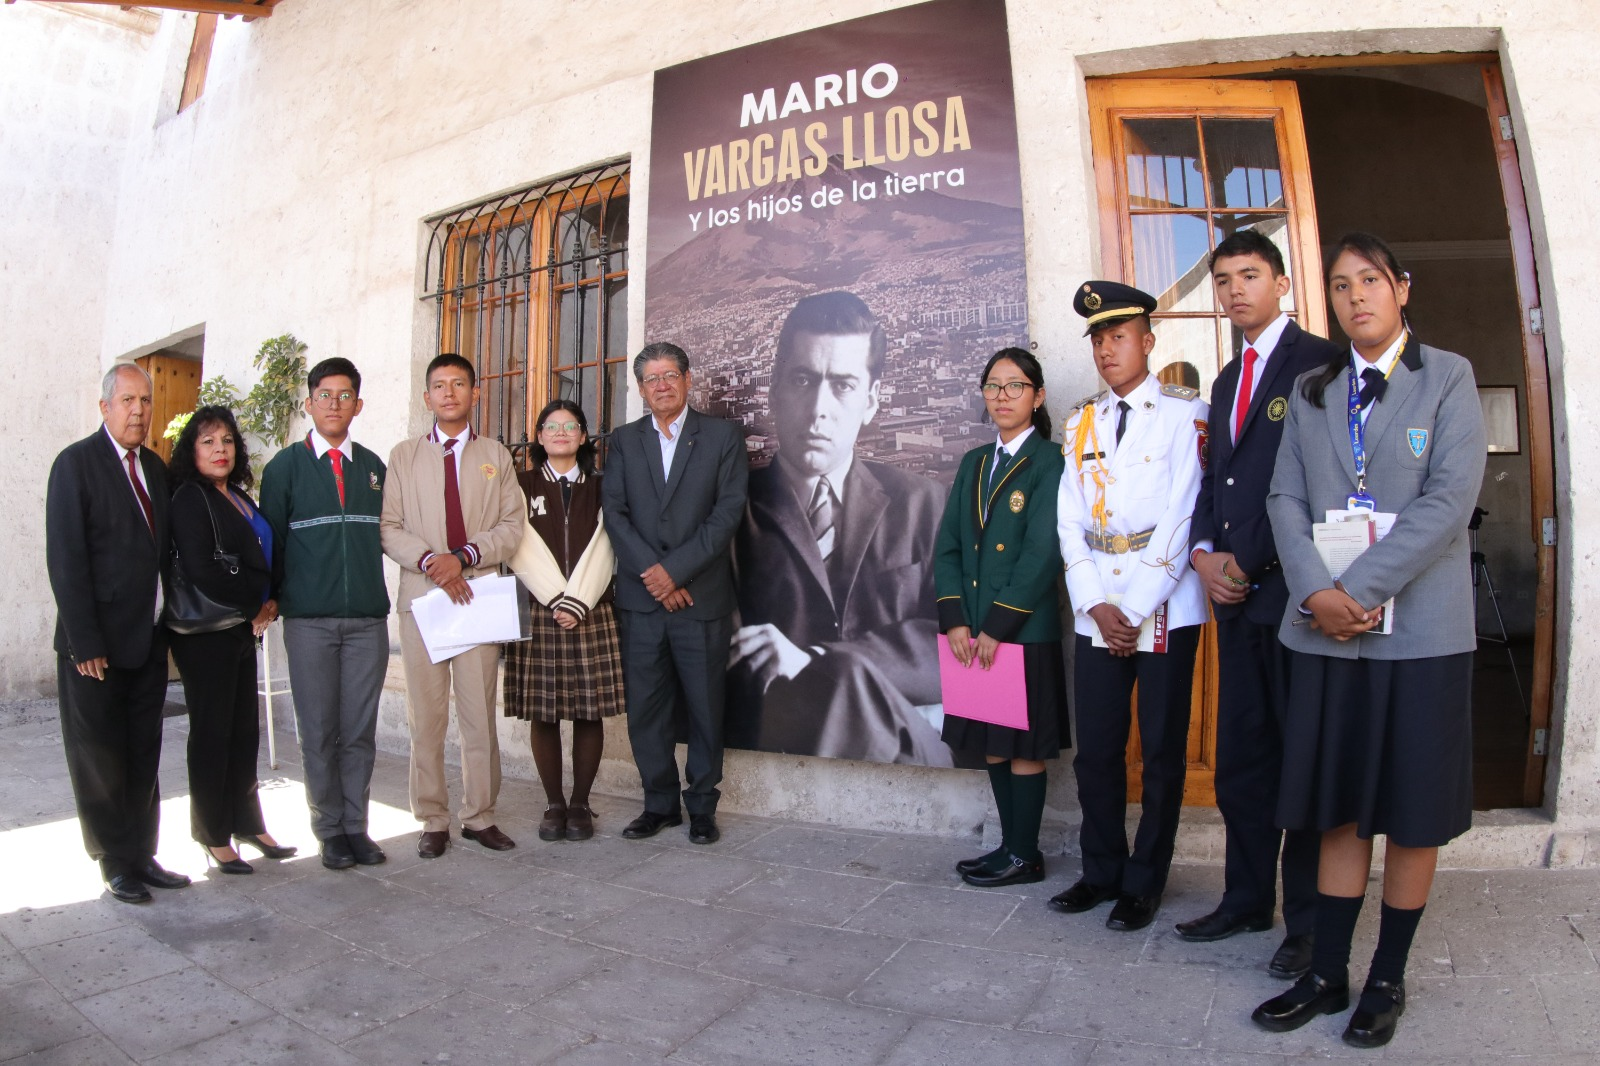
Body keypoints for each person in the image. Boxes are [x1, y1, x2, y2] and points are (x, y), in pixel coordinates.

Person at [1252, 233, 1485, 1048]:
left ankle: (1386, 979)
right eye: (1342, 286)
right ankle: (1326, 973)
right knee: (1338, 811)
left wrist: (1355, 589)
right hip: (1327, 637)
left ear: (1402, 289)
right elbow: (1283, 496)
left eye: (1371, 282)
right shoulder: (1313, 390)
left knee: (1412, 815)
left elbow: (1448, 503)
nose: (1357, 298)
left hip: (1421, 637)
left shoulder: (1448, 377)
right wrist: (1319, 591)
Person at [1176, 229, 1342, 978]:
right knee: (1243, 759)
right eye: (1222, 279)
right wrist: (1206, 554)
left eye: (1250, 275)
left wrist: (1255, 559)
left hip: (1294, 601)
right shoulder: (1224, 378)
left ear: (1281, 284)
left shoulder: (1318, 362)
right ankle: (1246, 897)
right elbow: (1216, 482)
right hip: (1234, 599)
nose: (1235, 289)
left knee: (1300, 764)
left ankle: (1306, 925)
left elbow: (1323, 482)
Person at [729, 291, 949, 765]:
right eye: (803, 380)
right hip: (782, 738)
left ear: (871, 402)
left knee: (847, 678)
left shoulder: (926, 504)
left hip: (907, 746)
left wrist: (822, 663)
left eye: (843, 385)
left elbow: (960, 647)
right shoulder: (731, 511)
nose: (818, 409)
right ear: (774, 390)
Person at [1053, 281, 1208, 932]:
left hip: (1163, 604)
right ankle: (1101, 870)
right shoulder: (1080, 420)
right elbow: (1070, 520)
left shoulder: (1185, 413)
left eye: (1118, 337)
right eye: (1098, 339)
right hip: (1100, 608)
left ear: (1148, 341)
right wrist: (1094, 603)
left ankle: (1144, 882)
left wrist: (1136, 606)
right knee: (1097, 748)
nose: (1107, 350)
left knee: (1164, 752)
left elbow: (1183, 516)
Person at [46, 363, 191, 903]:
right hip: (96, 649)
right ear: (104, 406)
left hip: (147, 641)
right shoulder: (75, 465)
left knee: (142, 753)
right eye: (127, 400)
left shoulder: (155, 468)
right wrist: (85, 641)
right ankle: (114, 860)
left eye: (145, 401)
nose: (138, 410)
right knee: (100, 756)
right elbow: (65, 559)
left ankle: (142, 853)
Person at [602, 341, 749, 845]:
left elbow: (726, 514)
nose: (661, 386)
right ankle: (659, 804)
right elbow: (615, 515)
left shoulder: (722, 436)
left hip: (700, 597)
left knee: (706, 708)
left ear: (688, 379)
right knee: (647, 709)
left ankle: (703, 807)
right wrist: (655, 575)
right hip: (643, 601)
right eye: (651, 379)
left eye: (670, 376)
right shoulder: (623, 441)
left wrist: (677, 573)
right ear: (640, 389)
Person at [934, 347, 1069, 888]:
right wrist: (957, 622)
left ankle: (1025, 854)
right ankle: (1009, 848)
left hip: (1020, 632)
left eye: (1016, 387)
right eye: (994, 386)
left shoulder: (1050, 461)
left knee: (1023, 747)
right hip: (971, 634)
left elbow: (1042, 553)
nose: (1003, 396)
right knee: (993, 741)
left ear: (1037, 397)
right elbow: (947, 548)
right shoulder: (974, 463)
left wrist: (997, 626)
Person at [381, 353, 525, 858]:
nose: (448, 393)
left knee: (478, 714)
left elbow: (512, 526)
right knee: (427, 716)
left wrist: (463, 558)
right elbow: (389, 527)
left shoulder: (495, 455)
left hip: (477, 596)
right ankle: (433, 819)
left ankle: (480, 816)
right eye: (439, 386)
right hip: (424, 601)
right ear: (427, 398)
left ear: (474, 393)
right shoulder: (403, 456)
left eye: (458, 384)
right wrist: (430, 561)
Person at [260, 357, 391, 871]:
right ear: (309, 402)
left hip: (366, 622)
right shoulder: (284, 468)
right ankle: (329, 829)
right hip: (309, 622)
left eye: (345, 396)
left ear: (357, 405)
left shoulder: (375, 468)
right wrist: (269, 600)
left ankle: (357, 826)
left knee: (359, 730)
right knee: (317, 729)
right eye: (324, 394)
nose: (334, 404)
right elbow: (269, 545)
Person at [166, 405, 296, 874]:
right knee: (213, 733)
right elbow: (203, 569)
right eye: (208, 442)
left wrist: (273, 599)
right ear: (191, 451)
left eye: (226, 441)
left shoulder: (237, 495)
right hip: (207, 635)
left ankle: (247, 822)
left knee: (243, 732)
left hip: (241, 629)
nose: (220, 450)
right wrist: (253, 607)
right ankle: (212, 833)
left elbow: (266, 551)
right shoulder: (189, 498)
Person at [503, 400, 625, 842]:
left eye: (569, 426)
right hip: (540, 605)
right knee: (545, 711)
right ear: (538, 436)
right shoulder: (519, 485)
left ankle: (581, 803)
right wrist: (556, 596)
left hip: (592, 608)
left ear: (583, 436)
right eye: (550, 426)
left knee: (590, 711)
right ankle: (554, 802)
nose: (560, 433)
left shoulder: (603, 485)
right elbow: (515, 542)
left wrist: (578, 599)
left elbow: (609, 542)